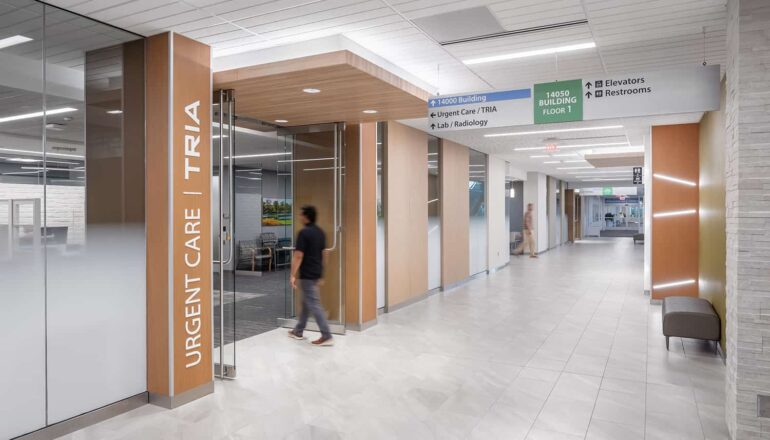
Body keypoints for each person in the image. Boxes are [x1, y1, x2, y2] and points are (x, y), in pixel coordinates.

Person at [287, 205, 334, 346]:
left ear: (306, 216)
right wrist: (321, 273)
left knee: (313, 304)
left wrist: (292, 274)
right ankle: (298, 330)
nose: (299, 217)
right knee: (306, 303)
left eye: (301, 214)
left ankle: (326, 335)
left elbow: (298, 256)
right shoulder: (320, 232)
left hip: (307, 274)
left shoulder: (304, 233)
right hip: (315, 273)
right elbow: (325, 254)